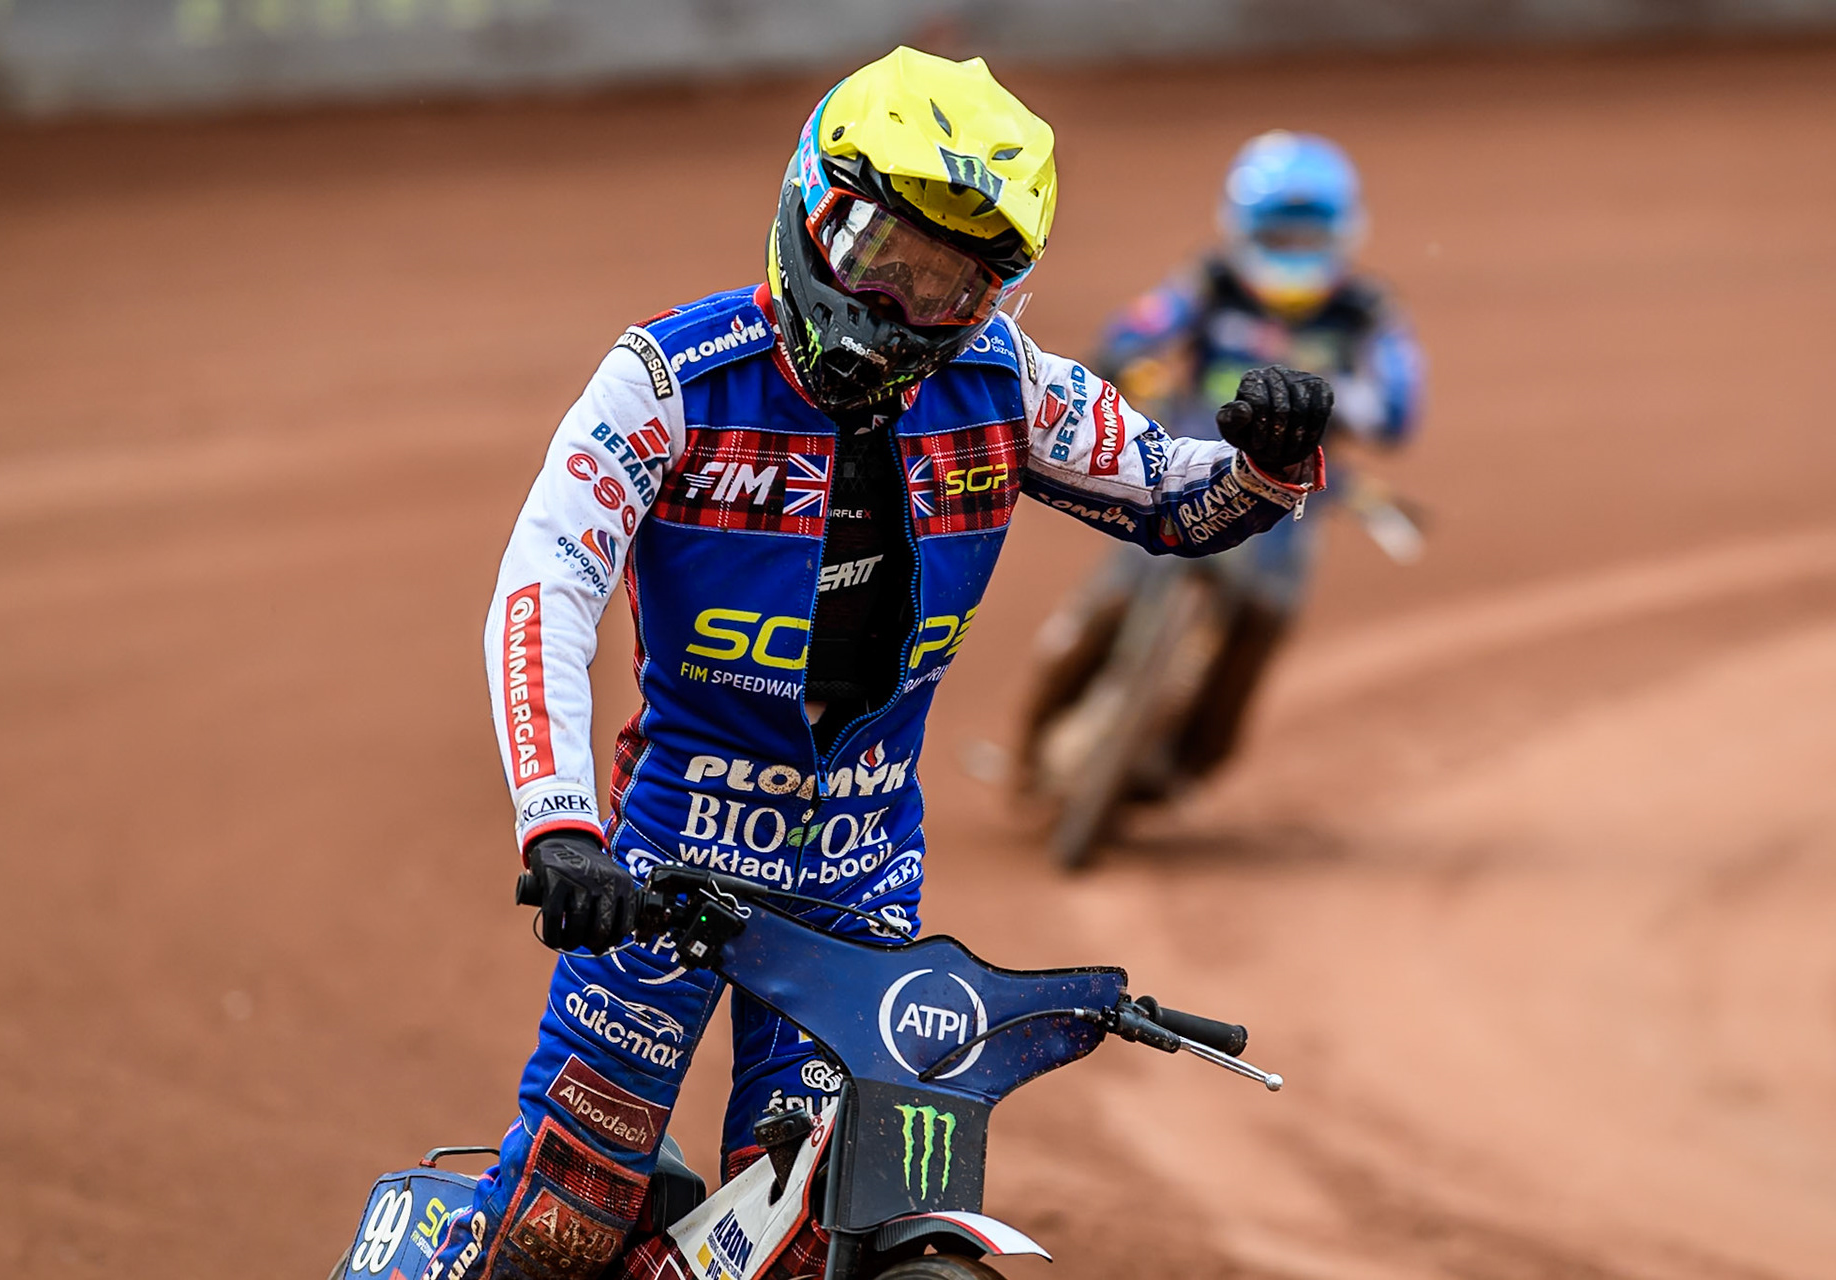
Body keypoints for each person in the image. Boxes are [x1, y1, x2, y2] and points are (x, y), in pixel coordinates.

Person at [428, 49, 1330, 1280]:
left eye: (952, 280)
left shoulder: (1006, 385)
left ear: (996, 291)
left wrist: (1268, 457)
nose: (903, 305)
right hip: (662, 869)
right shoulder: (666, 382)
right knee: (560, 1221)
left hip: (860, 880)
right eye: (881, 256)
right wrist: (559, 828)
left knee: (803, 1240)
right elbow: (547, 583)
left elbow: (1181, 501)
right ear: (813, 205)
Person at [1016, 130, 1424, 800]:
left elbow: (1401, 402)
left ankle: (1195, 760)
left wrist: (1340, 405)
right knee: (1104, 604)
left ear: (1343, 235)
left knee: (1265, 619)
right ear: (1243, 229)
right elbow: (1134, 330)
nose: (1293, 254)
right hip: (1181, 476)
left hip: (1288, 502)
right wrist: (1122, 360)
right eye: (1279, 235)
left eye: (1308, 237)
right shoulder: (1209, 285)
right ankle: (1032, 742)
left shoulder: (1367, 312)